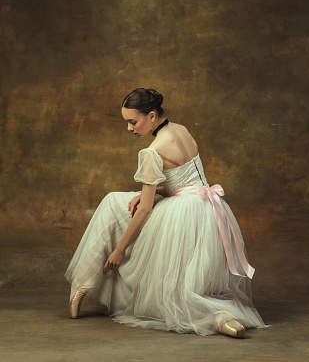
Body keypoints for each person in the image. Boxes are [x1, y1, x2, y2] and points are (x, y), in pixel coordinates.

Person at [65, 88, 267, 337]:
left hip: (182, 214)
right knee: (120, 201)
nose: (129, 129)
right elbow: (183, 179)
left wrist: (119, 250)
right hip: (210, 212)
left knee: (112, 205)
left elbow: (146, 209)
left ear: (151, 116)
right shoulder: (181, 130)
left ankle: (84, 283)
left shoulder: (152, 151)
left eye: (132, 122)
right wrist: (149, 190)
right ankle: (221, 317)